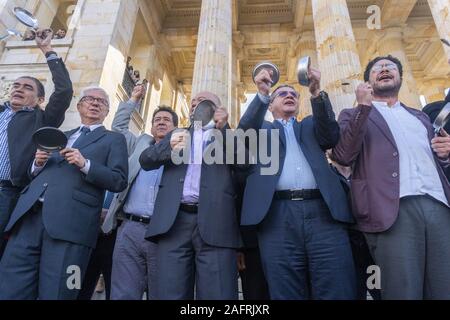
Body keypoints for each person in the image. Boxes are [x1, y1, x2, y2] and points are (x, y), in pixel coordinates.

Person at [332, 55, 450, 300]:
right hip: (392, 208)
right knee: (403, 290)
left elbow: (433, 160)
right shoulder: (352, 114)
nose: (385, 70)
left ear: (400, 77)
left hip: (438, 204)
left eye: (390, 67)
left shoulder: (420, 117)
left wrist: (446, 154)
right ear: (367, 82)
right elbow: (343, 155)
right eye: (377, 69)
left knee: (444, 287)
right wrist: (363, 107)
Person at [237, 66, 356, 300]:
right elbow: (243, 133)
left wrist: (315, 93)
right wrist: (261, 92)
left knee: (336, 286)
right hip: (276, 217)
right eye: (282, 94)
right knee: (285, 289)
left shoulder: (311, 124)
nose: (289, 96)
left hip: (324, 213)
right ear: (270, 105)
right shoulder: (262, 129)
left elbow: (331, 135)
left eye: (293, 94)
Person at [0, 87, 128, 300]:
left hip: (72, 227)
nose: (95, 103)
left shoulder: (114, 140)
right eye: (89, 99)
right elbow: (34, 175)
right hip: (29, 218)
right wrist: (37, 164)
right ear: (79, 106)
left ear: (107, 111)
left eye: (101, 101)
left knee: (61, 291)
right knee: (10, 286)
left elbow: (118, 180)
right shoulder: (59, 136)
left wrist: (85, 164)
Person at [139, 91, 242, 300]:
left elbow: (244, 163)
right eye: (193, 103)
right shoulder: (177, 133)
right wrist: (168, 146)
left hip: (216, 223)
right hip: (174, 223)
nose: (197, 105)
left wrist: (224, 130)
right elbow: (146, 160)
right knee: (170, 292)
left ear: (217, 109)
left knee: (218, 294)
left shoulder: (227, 134)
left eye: (204, 102)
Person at [0, 28, 73, 257]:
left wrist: (48, 50)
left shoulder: (41, 118)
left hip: (6, 194)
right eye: (16, 86)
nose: (19, 89)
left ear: (40, 99)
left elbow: (64, 91)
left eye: (27, 87)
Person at [102, 85, 178, 300]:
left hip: (163, 232)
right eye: (157, 120)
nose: (161, 122)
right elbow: (118, 128)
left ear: (176, 128)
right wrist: (133, 99)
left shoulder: (184, 151)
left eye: (166, 120)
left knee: (161, 293)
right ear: (152, 127)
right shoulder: (139, 143)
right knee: (122, 293)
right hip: (129, 228)